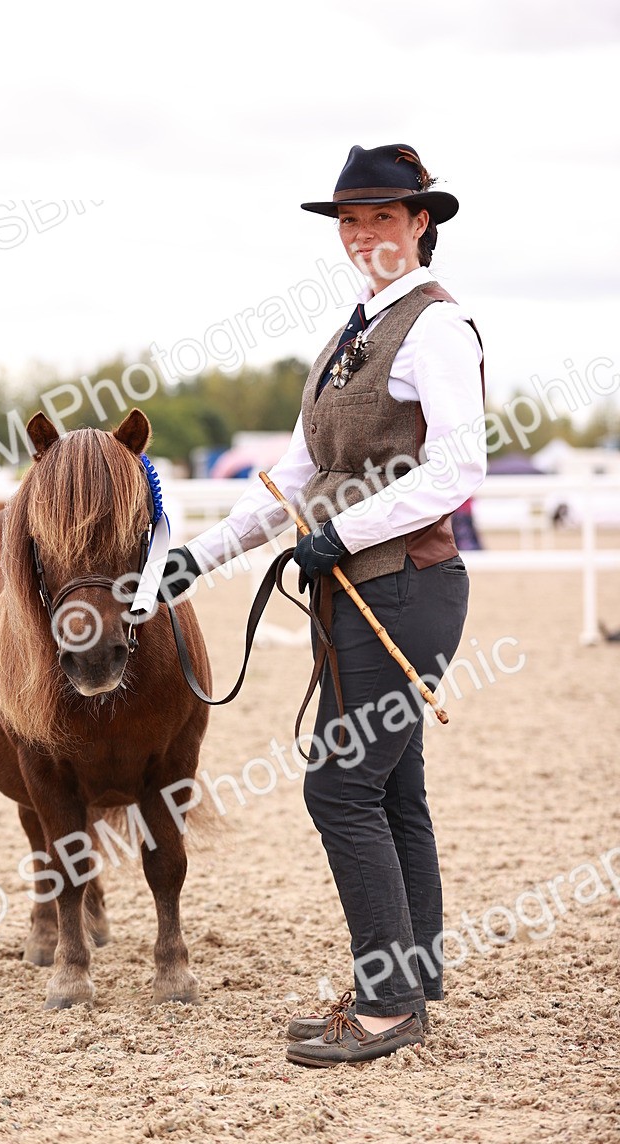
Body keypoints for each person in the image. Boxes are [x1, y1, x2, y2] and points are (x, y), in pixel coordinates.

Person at [161, 143, 486, 1066]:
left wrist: (341, 534)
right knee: (391, 785)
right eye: (350, 220)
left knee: (339, 784)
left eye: (382, 217)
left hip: (407, 586)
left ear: (422, 222)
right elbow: (300, 476)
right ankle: (413, 974)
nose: (363, 234)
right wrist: (204, 554)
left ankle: (385, 1005)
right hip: (355, 587)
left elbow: (460, 466)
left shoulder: (437, 330)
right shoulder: (350, 335)